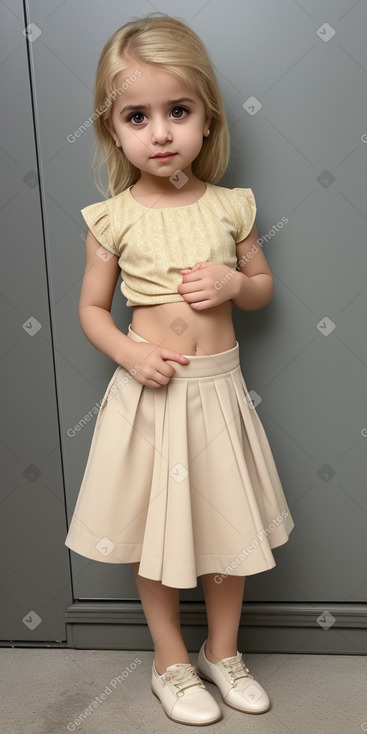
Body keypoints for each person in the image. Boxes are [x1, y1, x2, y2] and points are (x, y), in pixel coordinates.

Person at [65, 12, 294, 726]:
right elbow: (92, 312)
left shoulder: (232, 207)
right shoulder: (112, 219)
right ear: (113, 131)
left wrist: (234, 285)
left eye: (178, 111)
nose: (160, 132)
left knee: (225, 531)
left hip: (217, 394)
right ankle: (169, 660)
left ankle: (220, 651)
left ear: (206, 118)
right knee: (156, 535)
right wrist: (132, 353)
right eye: (137, 115)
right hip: (151, 397)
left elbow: (260, 290)